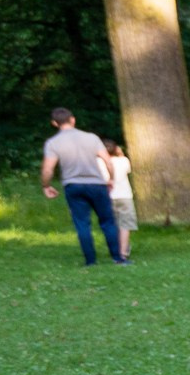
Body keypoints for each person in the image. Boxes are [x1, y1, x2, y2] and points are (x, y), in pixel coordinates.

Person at [40, 108, 125, 267]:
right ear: (73, 120)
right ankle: (118, 258)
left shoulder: (53, 143)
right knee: (107, 222)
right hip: (97, 185)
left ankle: (90, 261)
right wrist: (111, 179)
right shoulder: (91, 138)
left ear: (54, 123)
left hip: (73, 186)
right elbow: (108, 161)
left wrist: (46, 185)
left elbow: (47, 169)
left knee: (82, 224)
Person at [100, 135, 137, 262]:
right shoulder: (124, 161)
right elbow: (128, 170)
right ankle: (123, 252)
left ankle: (114, 251)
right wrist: (120, 154)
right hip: (124, 196)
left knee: (111, 224)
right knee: (125, 224)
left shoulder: (97, 162)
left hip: (106, 196)